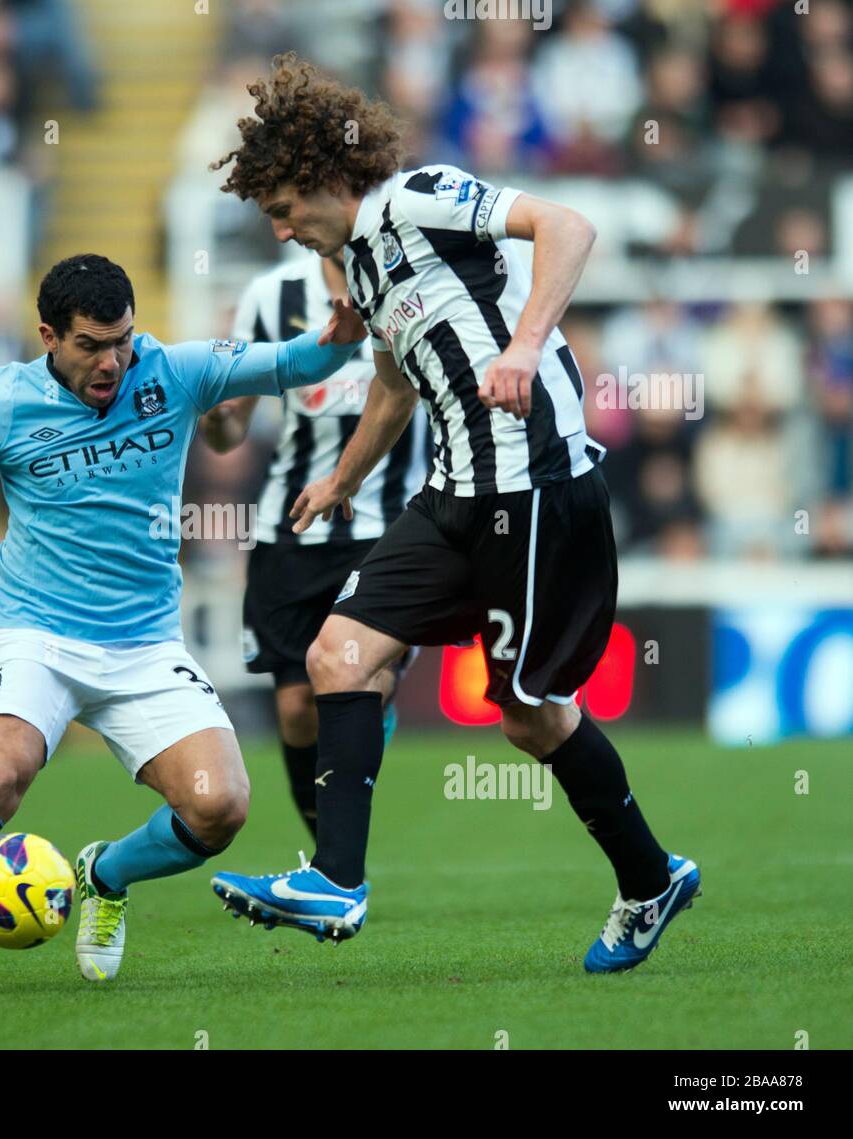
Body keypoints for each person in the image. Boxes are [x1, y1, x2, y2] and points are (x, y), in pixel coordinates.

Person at [207, 54, 700, 973]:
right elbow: (397, 377)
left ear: (320, 177)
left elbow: (568, 223)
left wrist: (522, 345)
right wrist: (347, 478)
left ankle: (649, 876)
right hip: (454, 494)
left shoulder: (416, 196)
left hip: (537, 483)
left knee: (526, 715)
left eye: (281, 207)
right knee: (336, 653)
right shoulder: (352, 262)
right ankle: (336, 881)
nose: (279, 229)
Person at [0, 253, 367, 996]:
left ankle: (104, 873)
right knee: (3, 767)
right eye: (90, 344)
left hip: (145, 643)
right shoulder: (4, 403)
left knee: (221, 806)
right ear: (49, 335)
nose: (112, 360)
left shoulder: (174, 372)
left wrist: (340, 333)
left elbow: (296, 359)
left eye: (121, 340)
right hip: (36, 635)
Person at [199, 247, 426, 837]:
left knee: (359, 684)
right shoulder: (272, 296)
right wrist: (214, 417)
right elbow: (232, 427)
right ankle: (328, 854)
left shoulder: (412, 278)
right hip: (293, 526)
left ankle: (338, 868)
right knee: (298, 710)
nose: (284, 224)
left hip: (392, 526)